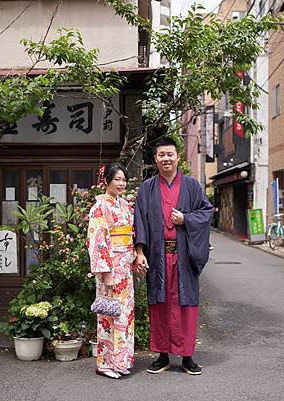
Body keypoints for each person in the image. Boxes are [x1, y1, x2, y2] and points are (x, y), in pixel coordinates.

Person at [134, 137, 214, 376]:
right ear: (155, 159)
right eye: (161, 155)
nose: (166, 158)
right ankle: (162, 355)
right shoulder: (147, 188)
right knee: (159, 305)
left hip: (183, 258)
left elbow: (206, 211)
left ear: (178, 157)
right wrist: (139, 252)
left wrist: (186, 219)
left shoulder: (191, 186)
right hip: (158, 257)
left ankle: (187, 356)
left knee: (185, 306)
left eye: (170, 154)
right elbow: (139, 221)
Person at [86, 163, 136, 379]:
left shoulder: (124, 205)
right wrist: (105, 271)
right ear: (106, 181)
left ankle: (122, 361)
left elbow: (130, 235)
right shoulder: (100, 207)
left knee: (124, 314)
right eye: (116, 179)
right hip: (110, 268)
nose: (121, 183)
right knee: (109, 315)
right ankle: (106, 363)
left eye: (124, 180)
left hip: (124, 266)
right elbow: (97, 240)